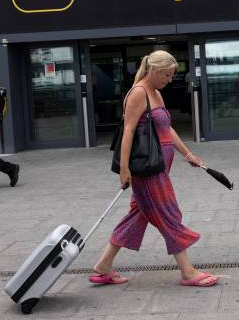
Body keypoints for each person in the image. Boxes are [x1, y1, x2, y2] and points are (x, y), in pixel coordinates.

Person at [89, 51, 218, 287]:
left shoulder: (156, 93)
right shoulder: (139, 92)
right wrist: (124, 169)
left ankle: (103, 266)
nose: (169, 80)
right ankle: (188, 272)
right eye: (167, 75)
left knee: (137, 215)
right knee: (169, 213)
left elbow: (166, 129)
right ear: (155, 71)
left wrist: (187, 154)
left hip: (159, 166)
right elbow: (128, 131)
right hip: (147, 171)